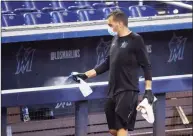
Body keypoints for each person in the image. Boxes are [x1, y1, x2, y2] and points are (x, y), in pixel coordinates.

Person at [73, 10, 155, 136]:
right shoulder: (115, 39)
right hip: (112, 91)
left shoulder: (136, 39)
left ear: (120, 23)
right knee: (113, 130)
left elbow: (146, 65)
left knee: (122, 128)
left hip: (128, 90)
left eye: (110, 25)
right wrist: (86, 75)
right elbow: (107, 63)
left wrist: (148, 90)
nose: (109, 27)